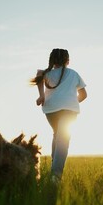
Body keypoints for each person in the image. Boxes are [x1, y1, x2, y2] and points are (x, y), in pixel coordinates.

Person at [31, 48, 87, 183]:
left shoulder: (46, 73)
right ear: (67, 60)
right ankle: (55, 177)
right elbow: (84, 95)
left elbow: (39, 74)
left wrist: (41, 95)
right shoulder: (73, 73)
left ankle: (54, 169)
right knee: (63, 139)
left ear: (51, 60)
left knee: (58, 136)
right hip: (69, 109)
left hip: (51, 110)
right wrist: (71, 102)